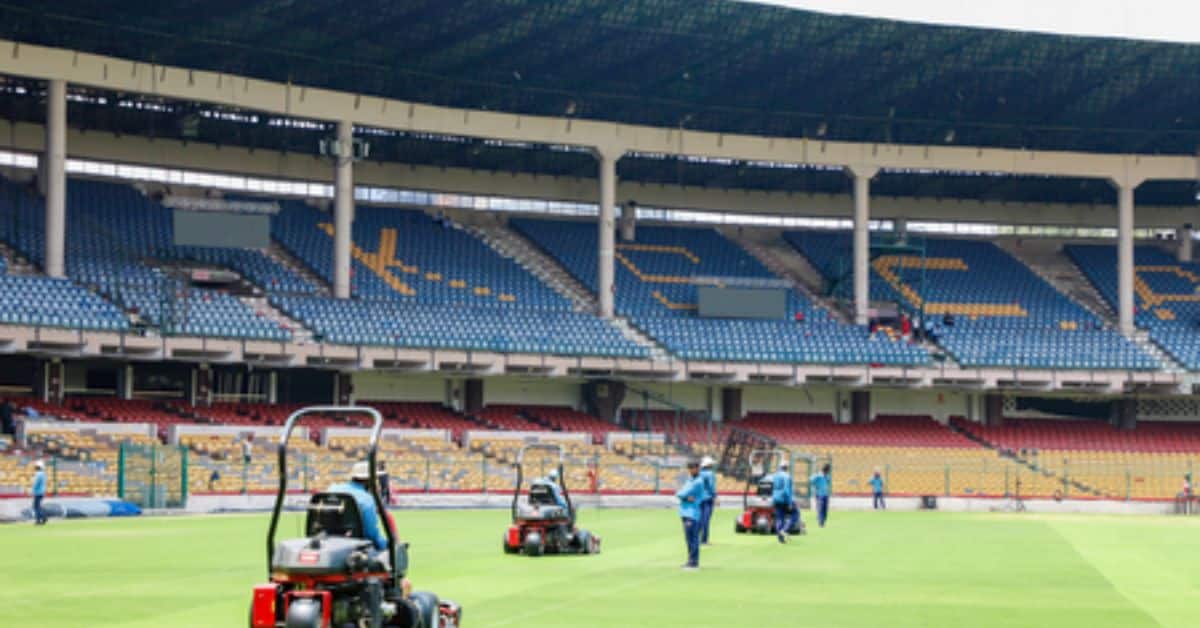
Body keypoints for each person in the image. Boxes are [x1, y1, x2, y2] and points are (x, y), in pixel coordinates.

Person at [327, 461, 388, 551]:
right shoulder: (366, 499)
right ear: (369, 480)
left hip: (329, 539)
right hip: (354, 545)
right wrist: (385, 544)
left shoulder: (332, 489)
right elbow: (371, 533)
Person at [675, 459, 705, 570]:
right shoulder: (691, 479)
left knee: (693, 538)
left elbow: (681, 493)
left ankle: (693, 562)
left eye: (693, 468)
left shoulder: (698, 482)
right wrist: (685, 496)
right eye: (690, 468)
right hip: (686, 511)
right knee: (689, 538)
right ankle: (691, 560)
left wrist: (683, 496)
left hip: (692, 513)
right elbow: (680, 493)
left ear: (698, 468)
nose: (691, 470)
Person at [770, 460, 798, 543]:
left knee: (779, 518)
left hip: (776, 498)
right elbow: (787, 490)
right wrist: (789, 503)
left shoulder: (775, 476)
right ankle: (785, 530)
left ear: (780, 467)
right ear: (787, 468)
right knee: (796, 514)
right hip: (784, 499)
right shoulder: (787, 476)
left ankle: (780, 539)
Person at [698, 456, 716, 545]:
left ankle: (696, 537)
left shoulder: (699, 473)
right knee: (706, 520)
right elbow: (711, 487)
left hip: (699, 498)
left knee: (699, 519)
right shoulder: (710, 474)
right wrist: (715, 497)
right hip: (708, 498)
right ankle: (704, 539)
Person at [811, 463, 832, 527]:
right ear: (825, 470)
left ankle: (823, 520)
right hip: (819, 494)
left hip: (825, 494)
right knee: (820, 508)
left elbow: (828, 481)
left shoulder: (827, 476)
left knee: (825, 509)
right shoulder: (818, 475)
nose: (829, 471)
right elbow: (811, 480)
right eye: (828, 470)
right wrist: (816, 486)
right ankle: (821, 522)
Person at [31, 459, 47, 525]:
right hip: (42, 492)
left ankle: (39, 519)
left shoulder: (38, 474)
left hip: (37, 492)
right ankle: (42, 517)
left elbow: (36, 483)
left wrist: (32, 490)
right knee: (38, 506)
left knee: (35, 506)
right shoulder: (43, 474)